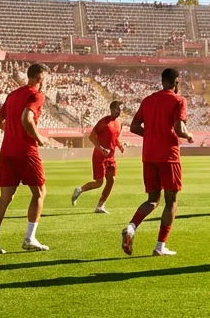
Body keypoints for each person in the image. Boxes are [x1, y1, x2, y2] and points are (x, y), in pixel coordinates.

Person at [121, 68, 192, 257]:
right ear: (176, 81)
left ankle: (131, 227)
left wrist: (151, 134)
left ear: (162, 81)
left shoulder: (148, 100)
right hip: (168, 156)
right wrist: (189, 135)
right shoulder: (179, 100)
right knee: (171, 201)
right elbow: (179, 128)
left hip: (149, 155)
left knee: (152, 199)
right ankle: (160, 246)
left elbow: (135, 126)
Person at [0, 63, 51, 254]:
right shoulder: (36, 95)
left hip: (6, 151)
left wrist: (13, 132)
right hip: (25, 150)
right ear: (40, 78)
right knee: (39, 193)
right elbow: (27, 119)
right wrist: (39, 138)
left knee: (5, 198)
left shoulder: (13, 94)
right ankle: (30, 238)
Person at [73, 101, 126, 214]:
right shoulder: (103, 122)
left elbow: (115, 138)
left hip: (111, 157)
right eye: (117, 109)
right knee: (99, 183)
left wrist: (120, 146)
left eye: (120, 109)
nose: (119, 111)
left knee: (111, 180)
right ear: (111, 109)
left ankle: (100, 206)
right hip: (99, 156)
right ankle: (80, 190)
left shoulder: (120, 123)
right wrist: (101, 148)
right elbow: (92, 137)